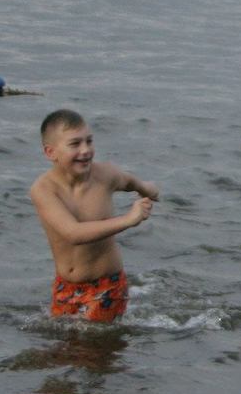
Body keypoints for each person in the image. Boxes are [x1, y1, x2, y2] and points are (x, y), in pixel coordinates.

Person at [30, 109, 159, 322]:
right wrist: (128, 219)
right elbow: (73, 233)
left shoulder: (105, 175)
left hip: (107, 285)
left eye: (89, 141)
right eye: (75, 144)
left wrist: (149, 191)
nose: (86, 150)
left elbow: (132, 183)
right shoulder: (43, 190)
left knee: (89, 353)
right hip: (64, 287)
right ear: (50, 152)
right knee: (61, 351)